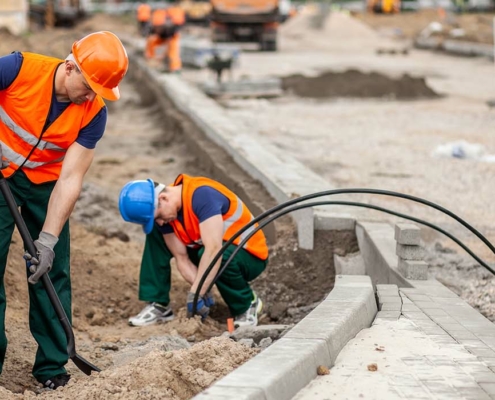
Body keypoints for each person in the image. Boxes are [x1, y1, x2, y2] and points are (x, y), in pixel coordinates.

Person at [0, 31, 128, 389]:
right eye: (88, 86)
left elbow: (71, 178)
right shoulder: (16, 69)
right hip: (1, 178)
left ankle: (52, 367)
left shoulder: (93, 114)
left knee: (50, 268)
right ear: (69, 67)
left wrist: (47, 241)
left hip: (45, 185)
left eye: (98, 93)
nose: (90, 96)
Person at [118, 173, 269, 329]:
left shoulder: (203, 196)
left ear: (163, 198)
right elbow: (181, 257)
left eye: (159, 216)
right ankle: (159, 304)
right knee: (156, 234)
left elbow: (213, 250)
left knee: (219, 255)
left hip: (248, 255)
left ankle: (247, 305)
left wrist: (196, 292)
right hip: (208, 252)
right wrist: (202, 290)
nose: (161, 222)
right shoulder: (167, 211)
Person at [145, 5, 185, 73]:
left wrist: (163, 53)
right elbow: (149, 40)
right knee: (153, 43)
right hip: (161, 38)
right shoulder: (152, 28)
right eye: (156, 27)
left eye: (159, 27)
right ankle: (154, 61)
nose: (158, 29)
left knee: (173, 52)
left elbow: (168, 42)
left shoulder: (169, 28)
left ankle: (175, 68)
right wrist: (149, 54)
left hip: (172, 38)